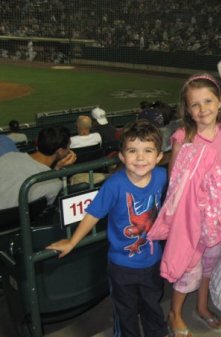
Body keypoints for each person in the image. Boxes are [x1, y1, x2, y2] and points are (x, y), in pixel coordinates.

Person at [46, 119, 168, 337]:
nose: (140, 157)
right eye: (133, 150)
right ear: (122, 156)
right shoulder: (114, 184)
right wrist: (72, 241)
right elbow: (94, 213)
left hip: (152, 262)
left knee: (153, 306)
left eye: (148, 150)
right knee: (126, 311)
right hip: (122, 266)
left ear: (159, 157)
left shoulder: (161, 176)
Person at [147, 74, 221, 337]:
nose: (202, 108)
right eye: (195, 104)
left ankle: (202, 307)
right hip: (189, 215)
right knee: (188, 266)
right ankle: (175, 313)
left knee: (210, 263)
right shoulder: (183, 136)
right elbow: (174, 181)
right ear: (187, 109)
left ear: (220, 102)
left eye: (208, 101)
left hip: (216, 211)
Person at [0, 125, 77, 210]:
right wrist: (57, 172)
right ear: (60, 151)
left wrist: (56, 170)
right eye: (69, 146)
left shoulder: (8, 156)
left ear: (37, 141)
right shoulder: (55, 185)